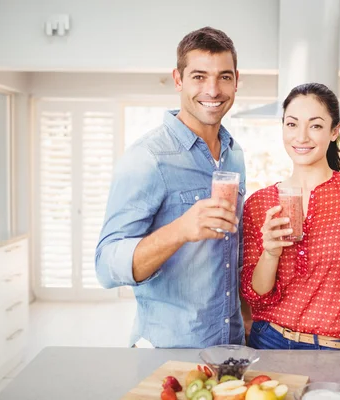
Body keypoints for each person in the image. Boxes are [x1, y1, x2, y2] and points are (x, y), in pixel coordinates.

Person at [95, 27, 246, 348]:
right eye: (199, 76)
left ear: (236, 81)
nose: (213, 90)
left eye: (224, 77)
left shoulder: (235, 154)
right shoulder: (146, 158)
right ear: (178, 80)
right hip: (168, 350)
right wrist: (180, 230)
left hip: (231, 346)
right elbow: (106, 266)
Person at [240, 83, 340, 350]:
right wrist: (271, 253)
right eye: (292, 124)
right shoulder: (259, 203)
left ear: (334, 131)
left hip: (338, 346)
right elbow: (257, 297)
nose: (302, 137)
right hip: (270, 341)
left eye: (316, 126)